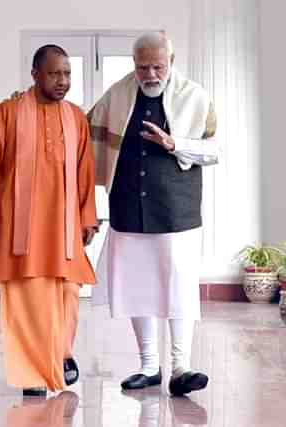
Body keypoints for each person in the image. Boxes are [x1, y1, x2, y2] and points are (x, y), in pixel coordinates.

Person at [89, 32, 219, 396]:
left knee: (178, 284)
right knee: (135, 285)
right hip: (128, 208)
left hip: (175, 210)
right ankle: (149, 366)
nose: (149, 74)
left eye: (157, 66)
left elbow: (214, 150)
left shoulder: (195, 97)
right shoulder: (117, 94)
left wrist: (174, 143)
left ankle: (181, 367)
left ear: (171, 62)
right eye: (142, 66)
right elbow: (83, 129)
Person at [0, 44, 97, 397]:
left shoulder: (76, 118)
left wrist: (87, 216)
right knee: (28, 295)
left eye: (68, 74)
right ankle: (31, 373)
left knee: (69, 291)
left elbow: (85, 172)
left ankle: (61, 355)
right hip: (18, 224)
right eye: (55, 73)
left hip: (64, 224)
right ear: (35, 74)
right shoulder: (6, 113)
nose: (63, 81)